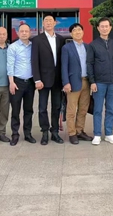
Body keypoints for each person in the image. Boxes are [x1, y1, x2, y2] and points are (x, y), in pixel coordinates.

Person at [32, 14, 66, 145]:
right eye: (46, 20)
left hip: (57, 80)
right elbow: (34, 61)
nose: (48, 23)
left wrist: (64, 80)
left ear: (55, 23)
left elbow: (63, 61)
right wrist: (37, 79)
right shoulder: (37, 40)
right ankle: (44, 132)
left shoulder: (61, 39)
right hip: (43, 80)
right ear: (43, 23)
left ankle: (55, 132)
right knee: (42, 108)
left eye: (50, 20)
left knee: (56, 107)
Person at [87, 17, 113, 145]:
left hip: (112, 82)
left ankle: (109, 134)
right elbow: (89, 64)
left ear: (110, 28)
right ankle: (97, 134)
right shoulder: (93, 45)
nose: (104, 28)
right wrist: (92, 81)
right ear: (98, 28)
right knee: (98, 109)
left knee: (110, 109)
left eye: (107, 26)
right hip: (99, 82)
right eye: (102, 26)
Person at [61, 23, 92, 144]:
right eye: (74, 30)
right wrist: (66, 83)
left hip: (86, 81)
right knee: (71, 110)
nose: (77, 32)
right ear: (71, 33)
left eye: (79, 30)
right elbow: (64, 66)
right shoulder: (67, 48)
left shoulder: (87, 47)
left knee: (83, 109)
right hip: (73, 82)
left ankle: (79, 131)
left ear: (83, 32)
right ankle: (72, 133)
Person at [7, 23, 36, 146]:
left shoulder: (33, 46)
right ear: (18, 33)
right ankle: (15, 134)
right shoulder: (13, 47)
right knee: (15, 110)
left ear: (30, 33)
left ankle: (28, 133)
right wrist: (11, 82)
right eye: (22, 31)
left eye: (26, 31)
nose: (24, 33)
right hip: (17, 82)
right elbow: (10, 65)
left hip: (30, 82)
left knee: (28, 109)